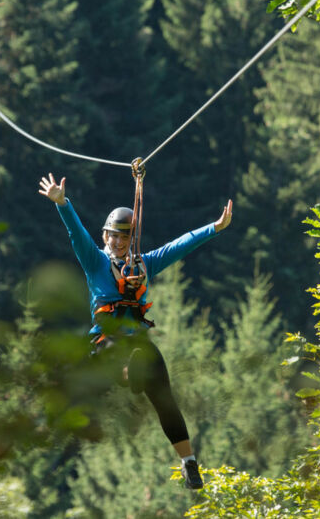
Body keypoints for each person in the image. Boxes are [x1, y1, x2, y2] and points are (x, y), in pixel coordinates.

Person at [38, 172, 232, 490]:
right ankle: (131, 374)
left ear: (131, 240)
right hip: (106, 342)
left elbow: (179, 246)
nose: (117, 242)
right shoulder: (95, 261)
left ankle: (189, 463)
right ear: (104, 236)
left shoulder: (145, 264)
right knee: (119, 353)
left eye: (123, 238)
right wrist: (63, 203)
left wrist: (215, 228)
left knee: (165, 399)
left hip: (137, 342)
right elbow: (76, 234)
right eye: (112, 236)